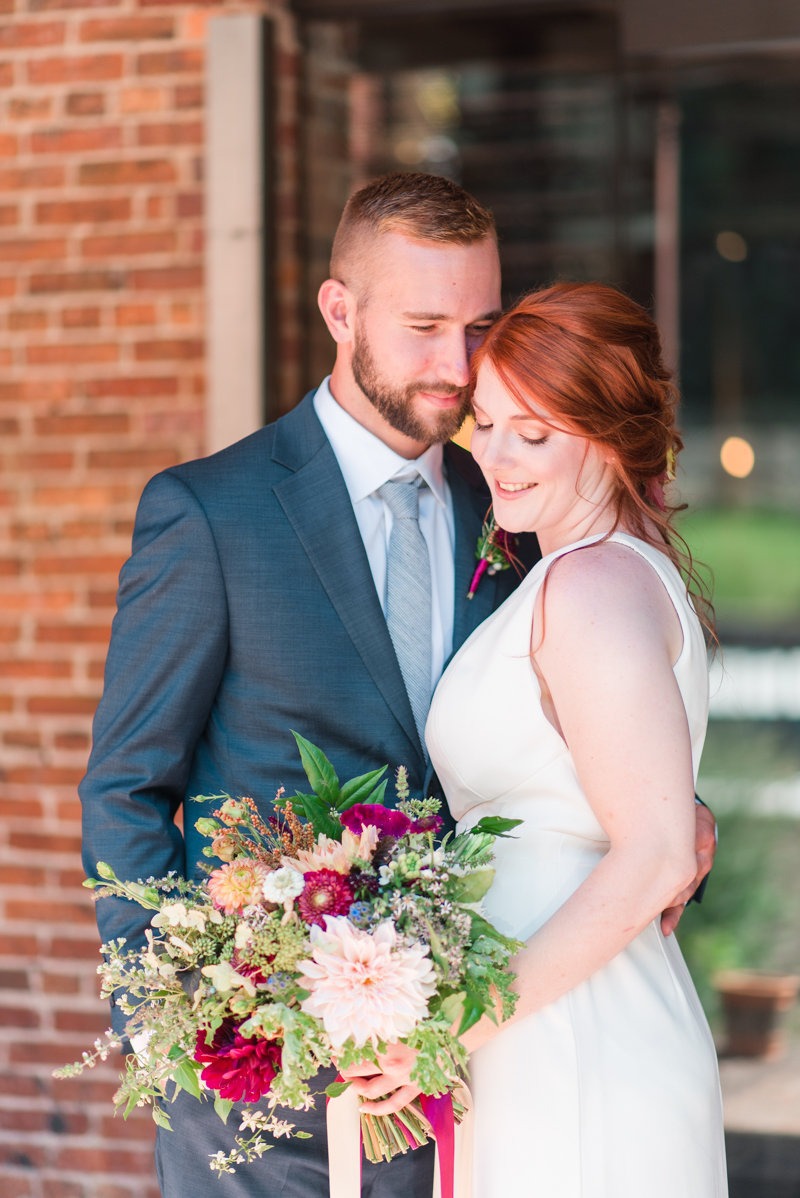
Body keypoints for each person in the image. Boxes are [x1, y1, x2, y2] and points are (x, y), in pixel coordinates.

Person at [79, 174, 715, 1197]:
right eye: (423, 326)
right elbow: (125, 789)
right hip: (266, 1092)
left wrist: (674, 812)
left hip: (475, 1073)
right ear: (341, 310)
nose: (457, 367)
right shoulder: (210, 513)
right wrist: (186, 1025)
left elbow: (582, 729)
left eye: (478, 325)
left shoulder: (510, 501)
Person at [424, 283, 726, 1195]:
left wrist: (445, 1033)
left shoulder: (590, 586)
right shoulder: (601, 572)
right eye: (484, 421)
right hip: (545, 1031)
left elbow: (659, 852)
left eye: (536, 432)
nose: (495, 456)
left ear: (610, 432)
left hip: (575, 1044)